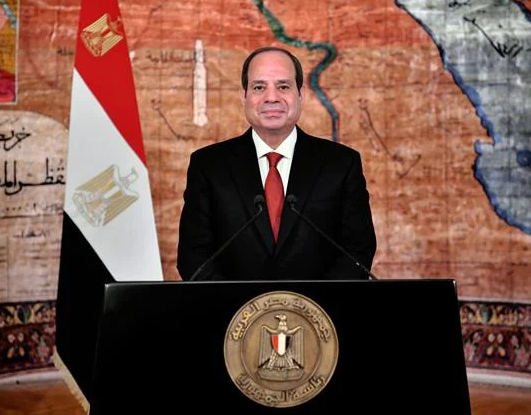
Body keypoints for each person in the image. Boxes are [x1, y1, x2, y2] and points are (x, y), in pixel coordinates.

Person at [177, 46, 376, 281]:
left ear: (300, 95)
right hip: (233, 304)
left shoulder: (341, 164)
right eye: (259, 87)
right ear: (244, 96)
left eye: (283, 86)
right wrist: (241, 302)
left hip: (317, 304)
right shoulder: (208, 166)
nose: (271, 97)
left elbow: (357, 251)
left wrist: (309, 301)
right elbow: (193, 256)